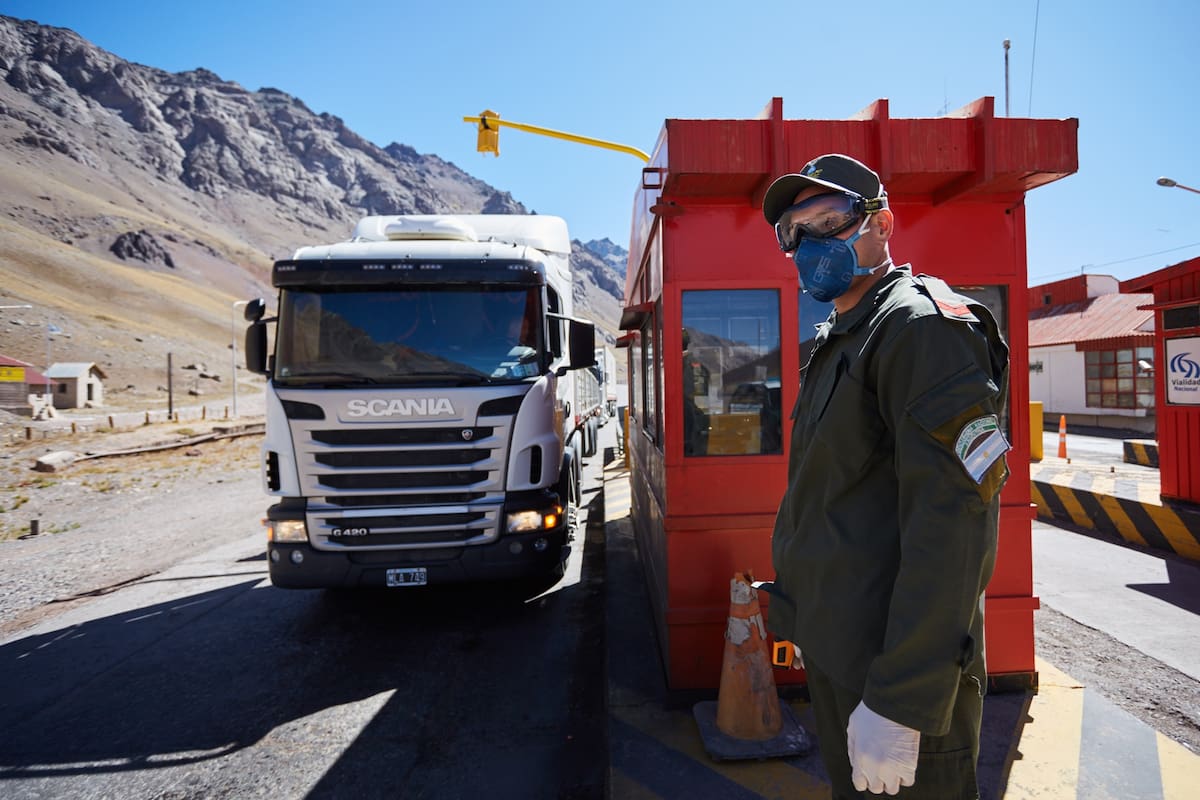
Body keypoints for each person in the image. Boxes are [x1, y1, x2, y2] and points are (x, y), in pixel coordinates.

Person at [760, 154, 1010, 799]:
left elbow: (954, 526)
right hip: (842, 651)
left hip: (893, 672)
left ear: (883, 224)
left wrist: (903, 698)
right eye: (794, 232)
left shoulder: (920, 329)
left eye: (829, 220)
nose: (811, 243)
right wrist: (804, 617)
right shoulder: (846, 335)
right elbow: (830, 498)